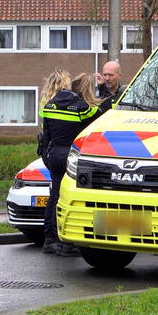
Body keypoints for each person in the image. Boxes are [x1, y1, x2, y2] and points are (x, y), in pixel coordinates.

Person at [39, 70, 103, 256]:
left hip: (54, 154)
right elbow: (99, 115)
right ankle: (67, 243)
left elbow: (46, 137)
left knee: (54, 196)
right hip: (70, 155)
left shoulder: (49, 106)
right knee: (68, 198)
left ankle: (50, 239)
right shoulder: (80, 107)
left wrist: (47, 157)